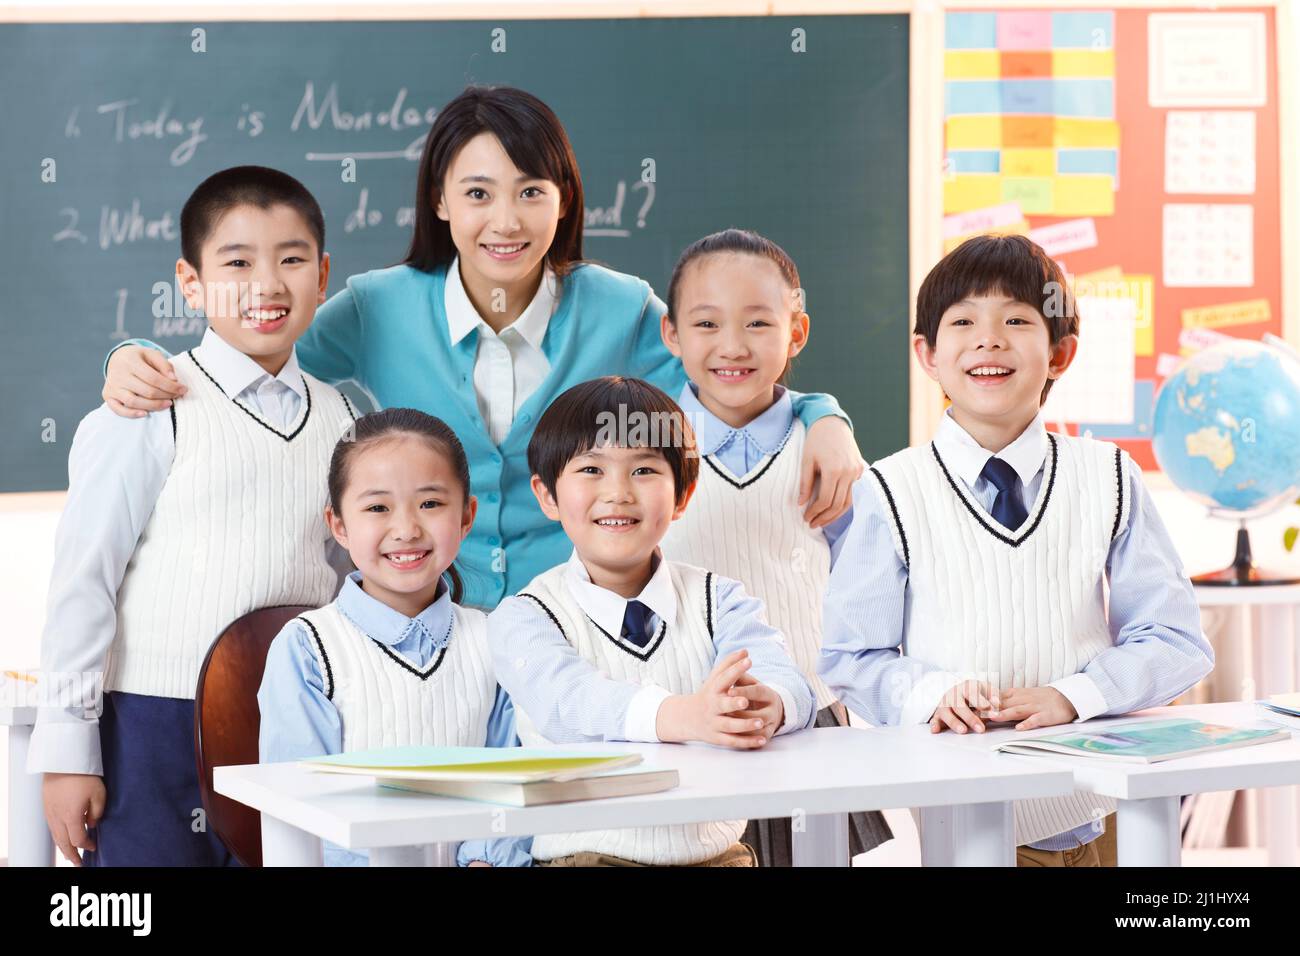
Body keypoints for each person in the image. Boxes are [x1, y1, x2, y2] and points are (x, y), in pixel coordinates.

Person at [97, 86, 863, 610]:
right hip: (425, 623)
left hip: (579, 622)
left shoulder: (620, 308)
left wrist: (824, 413)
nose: (507, 219)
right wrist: (135, 352)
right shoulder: (378, 307)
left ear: (564, 199)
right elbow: (258, 359)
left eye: (532, 191)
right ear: (439, 199)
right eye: (478, 193)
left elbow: (725, 384)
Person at [818, 234, 1214, 866]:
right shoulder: (891, 490)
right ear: (927, 353)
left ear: (1060, 353)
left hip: (1102, 808)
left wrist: (1075, 696)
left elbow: (1174, 639)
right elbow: (850, 656)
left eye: (1017, 320)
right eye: (964, 321)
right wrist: (932, 694)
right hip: (969, 816)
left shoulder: (1109, 476)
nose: (989, 339)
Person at [31, 166, 357, 866]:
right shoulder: (146, 410)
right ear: (191, 282)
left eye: (292, 260)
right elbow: (82, 585)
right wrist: (67, 750)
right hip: (154, 722)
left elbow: (348, 579)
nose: (267, 285)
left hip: (294, 724)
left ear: (323, 276)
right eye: (237, 262)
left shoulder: (347, 418)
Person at [491, 376, 817, 866]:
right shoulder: (526, 616)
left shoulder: (720, 599)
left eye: (644, 469)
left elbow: (784, 676)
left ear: (683, 495)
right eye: (591, 469)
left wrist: (769, 704)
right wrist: (685, 716)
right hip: (587, 858)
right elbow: (568, 705)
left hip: (720, 858)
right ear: (548, 495)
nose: (618, 492)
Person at [657, 228, 892, 865]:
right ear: (671, 334)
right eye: (706, 323)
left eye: (759, 323)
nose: (732, 346)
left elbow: (867, 592)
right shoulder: (645, 448)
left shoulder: (827, 456)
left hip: (807, 722)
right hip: (686, 727)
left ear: (797, 332)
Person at [258, 408, 531, 867]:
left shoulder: (494, 640)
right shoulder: (308, 648)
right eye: (377, 507)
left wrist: (484, 860)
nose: (406, 529)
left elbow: (513, 787)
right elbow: (301, 810)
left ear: (467, 517)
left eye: (430, 504)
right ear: (339, 524)